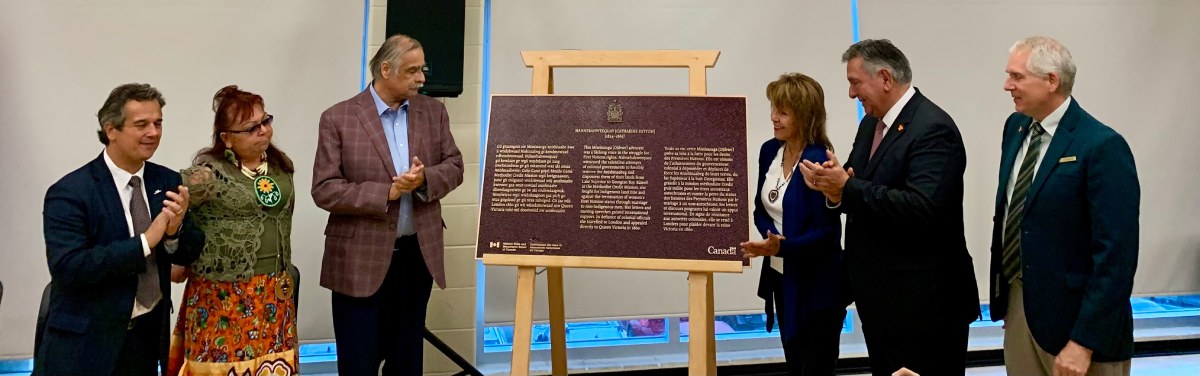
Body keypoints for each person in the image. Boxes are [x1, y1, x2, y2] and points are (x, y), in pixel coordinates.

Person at [798, 39, 980, 375]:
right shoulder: (871, 123)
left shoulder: (933, 128)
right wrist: (832, 186)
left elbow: (922, 208)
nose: (852, 94)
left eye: (855, 83)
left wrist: (847, 187)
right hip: (880, 301)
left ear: (884, 78)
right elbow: (855, 181)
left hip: (925, 306)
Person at [312, 34, 464, 375]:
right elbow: (324, 189)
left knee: (406, 361)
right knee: (359, 362)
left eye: (421, 70)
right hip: (359, 261)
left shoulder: (433, 112)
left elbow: (455, 166)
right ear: (385, 70)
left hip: (416, 257)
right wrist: (386, 193)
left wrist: (423, 181)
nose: (421, 78)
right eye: (412, 71)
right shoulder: (338, 118)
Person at [990, 36, 1139, 376]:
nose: (1006, 86)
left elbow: (1116, 257)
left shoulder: (1102, 146)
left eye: (1016, 76)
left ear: (1052, 81)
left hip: (1081, 331)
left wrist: (1083, 342)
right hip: (1022, 311)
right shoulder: (1015, 129)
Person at [38, 83, 204, 375]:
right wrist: (145, 241)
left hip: (145, 339)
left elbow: (191, 251)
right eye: (141, 124)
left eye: (158, 123)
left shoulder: (166, 181)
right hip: (86, 346)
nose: (153, 132)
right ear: (111, 129)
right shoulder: (70, 192)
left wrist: (174, 232)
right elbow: (69, 267)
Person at [167, 85, 300, 375]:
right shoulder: (210, 171)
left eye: (266, 121)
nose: (263, 131)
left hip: (274, 293)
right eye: (252, 127)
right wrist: (178, 258)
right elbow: (173, 199)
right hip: (224, 295)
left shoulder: (278, 166)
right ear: (226, 138)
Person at [741, 73, 848, 375]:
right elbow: (759, 209)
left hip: (818, 285)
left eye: (783, 112)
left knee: (814, 367)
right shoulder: (769, 151)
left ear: (805, 115)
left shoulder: (817, 162)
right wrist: (770, 239)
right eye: (773, 109)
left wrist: (781, 247)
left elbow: (827, 234)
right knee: (795, 365)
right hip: (781, 278)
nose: (773, 118)